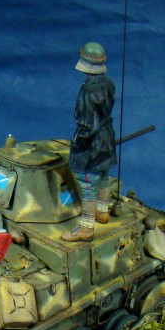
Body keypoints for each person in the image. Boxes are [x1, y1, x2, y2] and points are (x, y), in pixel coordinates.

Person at [62, 42, 116, 242]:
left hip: (91, 143)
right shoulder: (108, 83)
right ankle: (102, 210)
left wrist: (79, 142)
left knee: (87, 183)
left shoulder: (88, 91)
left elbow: (88, 124)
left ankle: (86, 227)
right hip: (106, 136)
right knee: (103, 174)